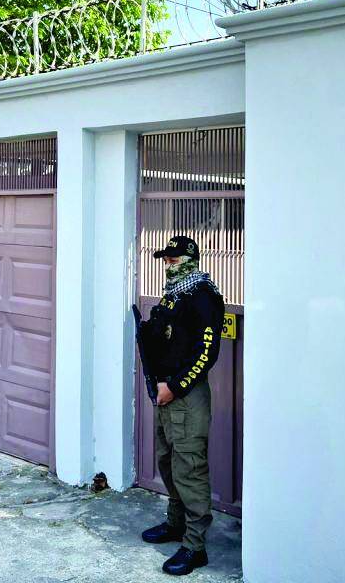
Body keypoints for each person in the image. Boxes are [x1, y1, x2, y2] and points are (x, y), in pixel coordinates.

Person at [138, 235, 224, 576]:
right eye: (166, 259)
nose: (169, 264)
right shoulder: (174, 293)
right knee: (168, 463)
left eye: (174, 259)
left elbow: (206, 353)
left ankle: (194, 545)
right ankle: (175, 524)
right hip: (164, 395)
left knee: (190, 468)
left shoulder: (203, 296)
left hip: (185, 397)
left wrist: (174, 386)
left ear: (190, 259)